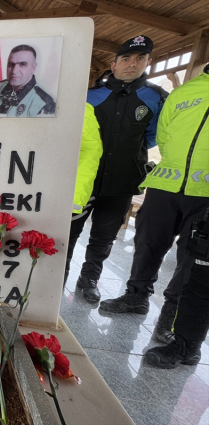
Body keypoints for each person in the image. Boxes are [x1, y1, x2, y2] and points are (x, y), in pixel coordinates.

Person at [100, 63, 209, 345]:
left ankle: (171, 318)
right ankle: (136, 296)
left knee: (190, 259)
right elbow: (163, 134)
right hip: (165, 184)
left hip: (205, 194)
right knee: (148, 242)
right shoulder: (184, 92)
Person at [64, 35, 168, 304]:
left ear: (148, 62)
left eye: (140, 58)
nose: (132, 64)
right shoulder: (89, 95)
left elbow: (155, 135)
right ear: (114, 64)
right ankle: (58, 276)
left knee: (104, 236)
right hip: (83, 179)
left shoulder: (156, 98)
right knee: (69, 232)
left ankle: (89, 279)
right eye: (126, 59)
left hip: (122, 181)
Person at [0, 44, 55, 117]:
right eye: (11, 64)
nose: (14, 71)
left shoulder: (43, 104)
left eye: (22, 64)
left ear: (33, 68)